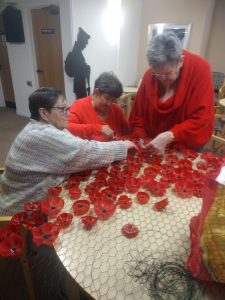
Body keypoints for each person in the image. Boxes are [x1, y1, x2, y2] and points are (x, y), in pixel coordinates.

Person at [0, 87, 136, 215]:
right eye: (62, 109)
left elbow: (76, 145)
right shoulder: (41, 134)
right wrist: (122, 146)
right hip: (21, 206)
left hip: (20, 189)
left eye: (67, 109)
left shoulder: (44, 127)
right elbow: (84, 151)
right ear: (43, 113)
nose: (68, 114)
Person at [129, 32, 214, 154]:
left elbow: (202, 118)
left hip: (185, 145)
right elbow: (137, 116)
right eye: (157, 74)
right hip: (152, 144)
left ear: (180, 61)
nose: (162, 78)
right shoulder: (150, 75)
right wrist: (143, 137)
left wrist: (171, 135)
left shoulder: (200, 70)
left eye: (167, 74)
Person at [68, 72, 131, 141]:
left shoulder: (116, 109)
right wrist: (98, 129)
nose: (110, 104)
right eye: (107, 98)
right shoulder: (79, 106)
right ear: (96, 92)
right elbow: (68, 127)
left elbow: (128, 134)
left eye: (113, 100)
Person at [70, 27, 91, 98]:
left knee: (81, 102)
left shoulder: (77, 51)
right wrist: (86, 68)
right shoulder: (76, 52)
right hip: (79, 86)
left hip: (80, 85)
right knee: (81, 103)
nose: (87, 44)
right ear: (81, 40)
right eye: (85, 41)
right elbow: (78, 69)